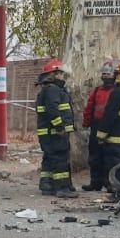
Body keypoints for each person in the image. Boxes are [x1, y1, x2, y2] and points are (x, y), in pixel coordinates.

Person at [33, 58, 77, 197]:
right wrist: (59, 127)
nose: (63, 77)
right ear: (54, 74)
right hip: (55, 132)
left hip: (48, 133)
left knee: (49, 158)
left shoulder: (48, 90)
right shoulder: (53, 90)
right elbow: (53, 110)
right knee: (60, 158)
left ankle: (47, 184)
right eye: (61, 74)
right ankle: (62, 188)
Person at [81, 63, 116, 190]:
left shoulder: (116, 91)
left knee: (109, 156)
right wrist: (86, 125)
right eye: (104, 74)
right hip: (96, 125)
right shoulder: (96, 91)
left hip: (111, 128)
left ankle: (109, 183)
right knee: (95, 156)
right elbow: (89, 108)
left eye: (108, 74)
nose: (106, 77)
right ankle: (95, 182)